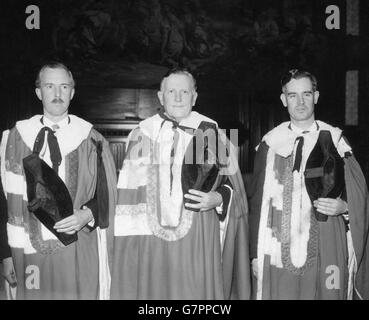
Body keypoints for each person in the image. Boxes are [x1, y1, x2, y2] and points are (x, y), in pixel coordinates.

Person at [111, 68, 250, 299]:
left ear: (194, 97)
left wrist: (218, 198)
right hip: (149, 244)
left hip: (199, 237)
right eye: (171, 91)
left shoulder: (213, 132)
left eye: (184, 91)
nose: (177, 97)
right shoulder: (141, 134)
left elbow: (237, 190)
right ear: (160, 96)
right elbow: (128, 197)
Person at [0, 62, 117, 299]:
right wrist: (5, 253)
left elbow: (109, 194)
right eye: (49, 86)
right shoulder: (14, 138)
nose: (57, 93)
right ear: (38, 92)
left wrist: (88, 214)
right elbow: (3, 200)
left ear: (72, 92)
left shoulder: (92, 139)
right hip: (28, 250)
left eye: (64, 87)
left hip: (79, 246)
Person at [249, 69, 369, 300]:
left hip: (328, 240)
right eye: (292, 95)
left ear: (316, 96)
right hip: (277, 243)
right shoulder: (269, 145)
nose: (300, 101)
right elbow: (257, 201)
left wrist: (344, 208)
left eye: (306, 94)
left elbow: (359, 195)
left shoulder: (336, 141)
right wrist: (255, 253)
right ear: (284, 100)